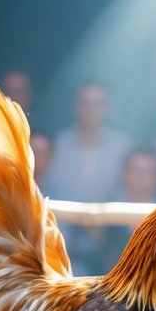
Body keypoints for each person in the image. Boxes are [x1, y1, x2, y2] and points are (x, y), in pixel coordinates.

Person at [43, 82, 133, 269]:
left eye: (98, 103)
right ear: (76, 107)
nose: (91, 110)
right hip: (61, 239)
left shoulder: (123, 146)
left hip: (112, 241)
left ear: (107, 108)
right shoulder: (58, 144)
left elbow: (129, 190)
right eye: (85, 103)